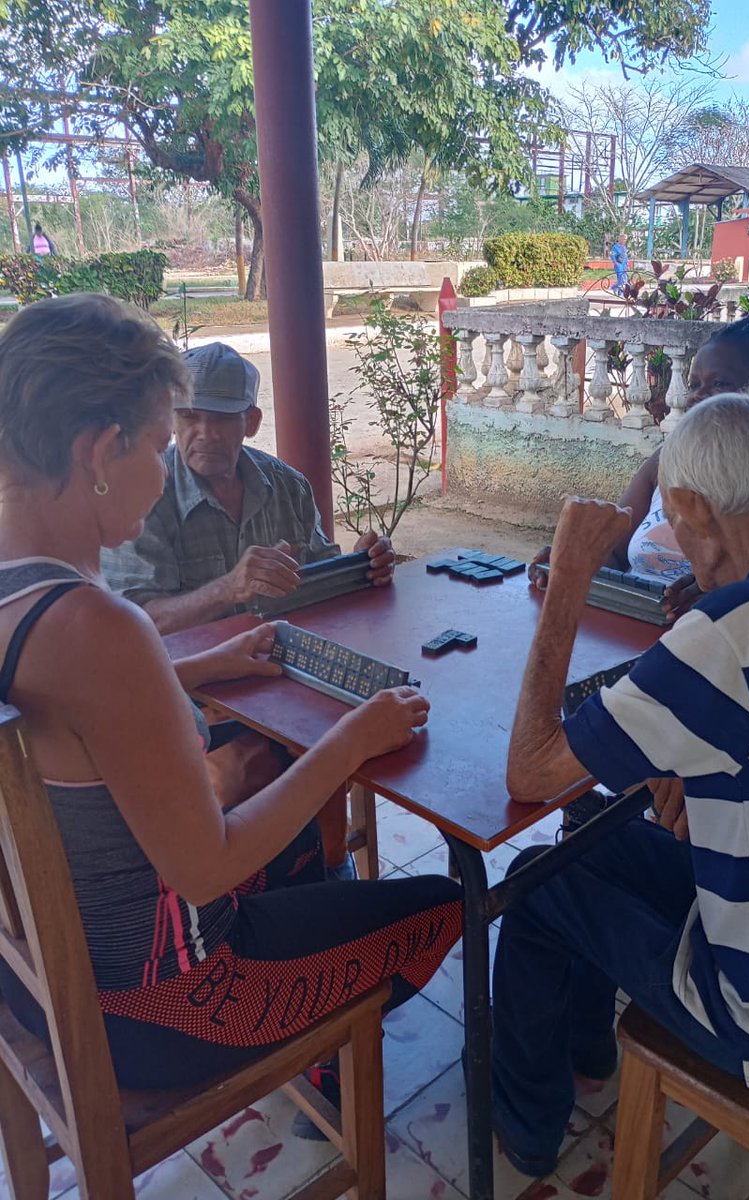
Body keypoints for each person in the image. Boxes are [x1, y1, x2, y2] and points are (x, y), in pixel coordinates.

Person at [0, 294, 461, 1097]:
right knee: (442, 903)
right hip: (163, 1006)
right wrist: (350, 739)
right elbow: (206, 868)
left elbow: (70, 716)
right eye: (156, 440)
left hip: (39, 974)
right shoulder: (103, 628)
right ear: (104, 451)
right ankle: (322, 1037)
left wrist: (198, 670)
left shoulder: (24, 591)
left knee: (294, 837)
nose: (168, 458)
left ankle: (314, 971)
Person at [492, 393, 749, 1177]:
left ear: (686, 506)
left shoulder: (723, 641)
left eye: (669, 521)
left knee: (530, 883)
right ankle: (585, 1054)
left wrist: (569, 571)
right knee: (585, 849)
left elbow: (530, 770)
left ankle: (528, 1128)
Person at [102, 341, 393, 876]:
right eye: (189, 417)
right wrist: (227, 588)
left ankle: (321, 874)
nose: (203, 434)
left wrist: (363, 567)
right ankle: (307, 875)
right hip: (186, 696)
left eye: (221, 419)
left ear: (251, 423)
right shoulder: (148, 493)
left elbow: (323, 581)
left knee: (370, 717)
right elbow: (138, 622)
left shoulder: (285, 485)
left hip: (279, 676)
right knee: (307, 751)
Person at [530, 314, 749, 616]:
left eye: (719, 384)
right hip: (635, 636)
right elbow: (614, 554)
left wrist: (729, 591)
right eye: (695, 384)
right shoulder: (668, 460)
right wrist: (573, 565)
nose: (696, 395)